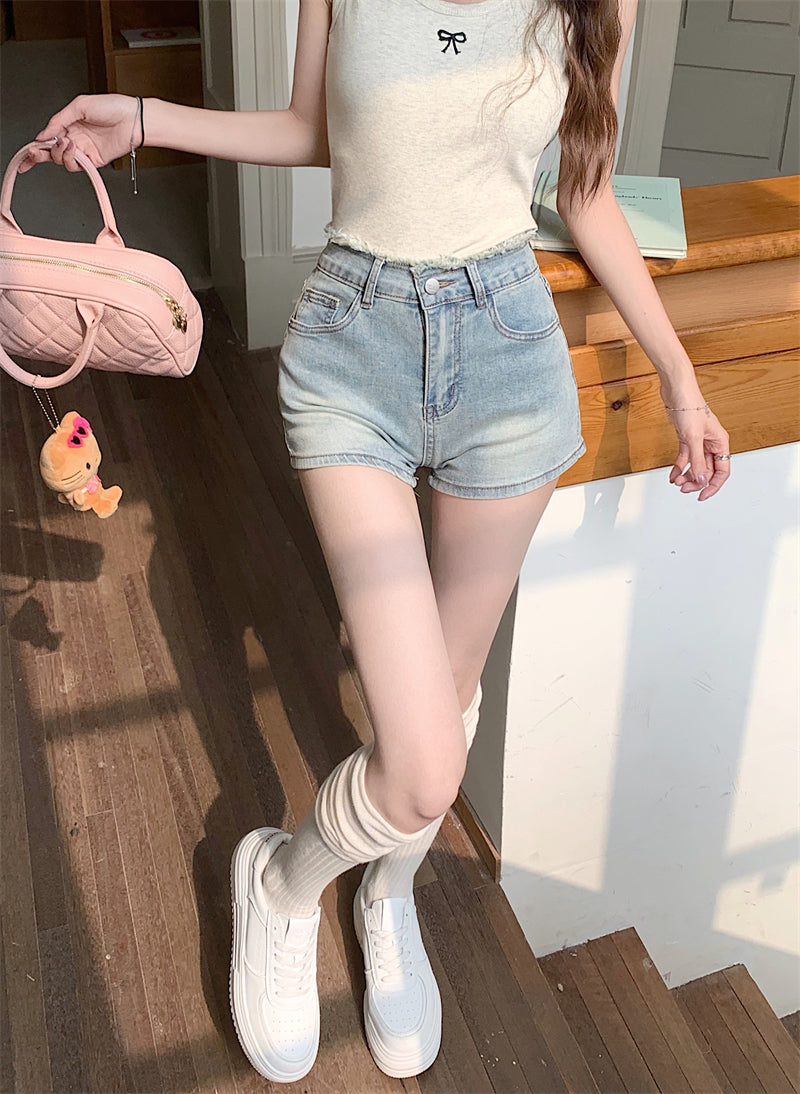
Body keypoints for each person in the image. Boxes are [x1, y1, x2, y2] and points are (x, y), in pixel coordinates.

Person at [23, 0, 731, 1083]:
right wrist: (145, 117)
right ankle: (282, 884)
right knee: (425, 764)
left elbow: (583, 190)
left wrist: (681, 379)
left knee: (444, 704)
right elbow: (313, 127)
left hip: (506, 352)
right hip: (353, 345)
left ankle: (386, 887)